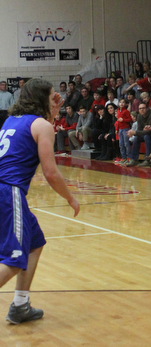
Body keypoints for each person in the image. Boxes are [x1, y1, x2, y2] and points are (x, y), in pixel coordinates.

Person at [0, 78, 79, 324]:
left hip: (4, 191)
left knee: (35, 242)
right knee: (14, 259)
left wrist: (52, 114)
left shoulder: (11, 120)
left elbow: (35, 131)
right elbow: (51, 173)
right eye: (53, 96)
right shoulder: (43, 126)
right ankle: (20, 304)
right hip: (8, 192)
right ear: (41, 98)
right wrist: (70, 198)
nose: (57, 99)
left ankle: (21, 305)